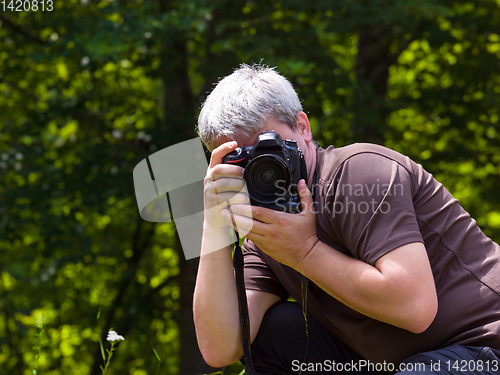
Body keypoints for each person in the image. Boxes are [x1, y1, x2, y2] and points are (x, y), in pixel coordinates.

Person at [192, 64, 500, 374]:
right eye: (239, 159)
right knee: (269, 335)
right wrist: (213, 223)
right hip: (393, 363)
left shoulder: (358, 171)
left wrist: (303, 252)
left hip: (482, 347)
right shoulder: (268, 232)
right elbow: (222, 348)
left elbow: (415, 308)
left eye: (266, 146)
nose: (259, 166)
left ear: (303, 127)